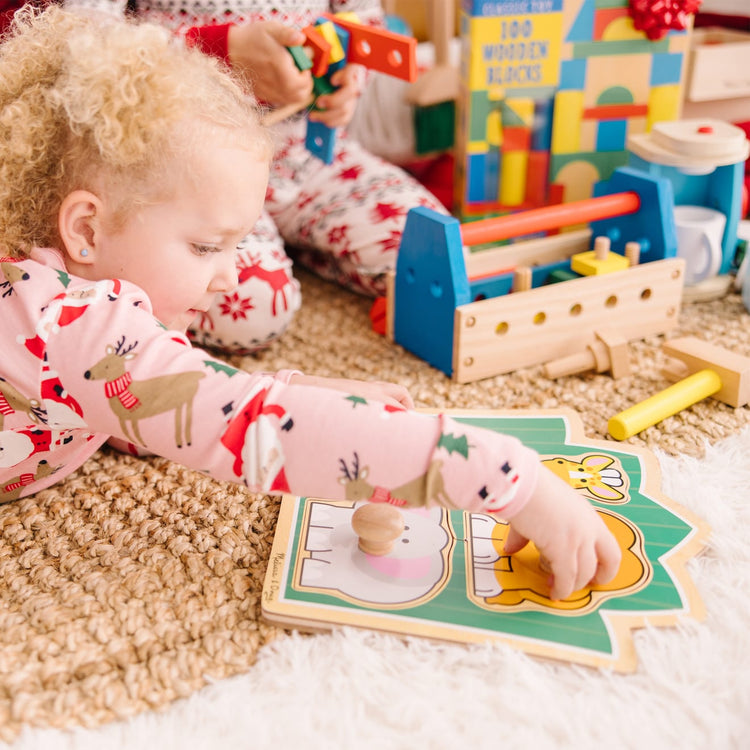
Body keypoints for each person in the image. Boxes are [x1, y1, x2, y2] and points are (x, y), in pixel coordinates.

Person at [0, 7, 620, 602]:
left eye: (235, 245)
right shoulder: (67, 322)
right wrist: (513, 481)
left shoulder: (79, 318)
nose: (229, 277)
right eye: (205, 246)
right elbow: (255, 430)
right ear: (84, 229)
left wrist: (307, 391)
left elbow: (156, 404)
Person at [59, 0, 448, 355]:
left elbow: (361, 18)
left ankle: (292, 246)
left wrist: (350, 80)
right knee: (250, 310)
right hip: (190, 171)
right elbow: (80, 33)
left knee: (431, 252)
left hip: (309, 152)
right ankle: (265, 248)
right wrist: (214, 49)